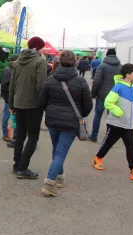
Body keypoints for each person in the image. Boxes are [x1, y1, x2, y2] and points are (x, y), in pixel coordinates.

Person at [39, 51, 93, 196]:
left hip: (52, 120)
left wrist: (50, 111)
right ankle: (50, 183)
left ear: (59, 62)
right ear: (75, 62)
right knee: (60, 151)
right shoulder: (80, 81)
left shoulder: (50, 79)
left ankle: (59, 177)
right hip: (71, 122)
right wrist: (81, 115)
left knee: (56, 149)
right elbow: (88, 105)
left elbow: (42, 101)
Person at [91, 64, 133, 182]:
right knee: (108, 143)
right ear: (128, 75)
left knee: (132, 147)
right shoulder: (118, 87)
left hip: (129, 125)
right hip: (116, 124)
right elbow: (108, 103)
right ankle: (97, 159)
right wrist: (119, 112)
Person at [9, 37, 48, 178]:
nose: (44, 50)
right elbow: (41, 85)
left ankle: (16, 165)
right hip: (33, 105)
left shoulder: (18, 60)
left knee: (20, 136)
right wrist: (44, 104)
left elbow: (12, 84)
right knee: (33, 137)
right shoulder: (40, 62)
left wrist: (12, 103)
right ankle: (22, 168)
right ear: (38, 48)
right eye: (42, 47)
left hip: (18, 103)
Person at [89, 49, 122, 142]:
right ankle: (109, 138)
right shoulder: (120, 67)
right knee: (111, 117)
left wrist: (93, 94)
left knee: (98, 115)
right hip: (115, 95)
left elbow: (97, 81)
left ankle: (94, 135)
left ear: (107, 55)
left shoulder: (102, 66)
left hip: (102, 95)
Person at [1, 54, 19, 142]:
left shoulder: (13, 69)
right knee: (7, 116)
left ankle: (14, 135)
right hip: (9, 99)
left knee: (13, 117)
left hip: (13, 98)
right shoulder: (8, 71)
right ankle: (5, 134)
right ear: (14, 61)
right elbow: (4, 85)